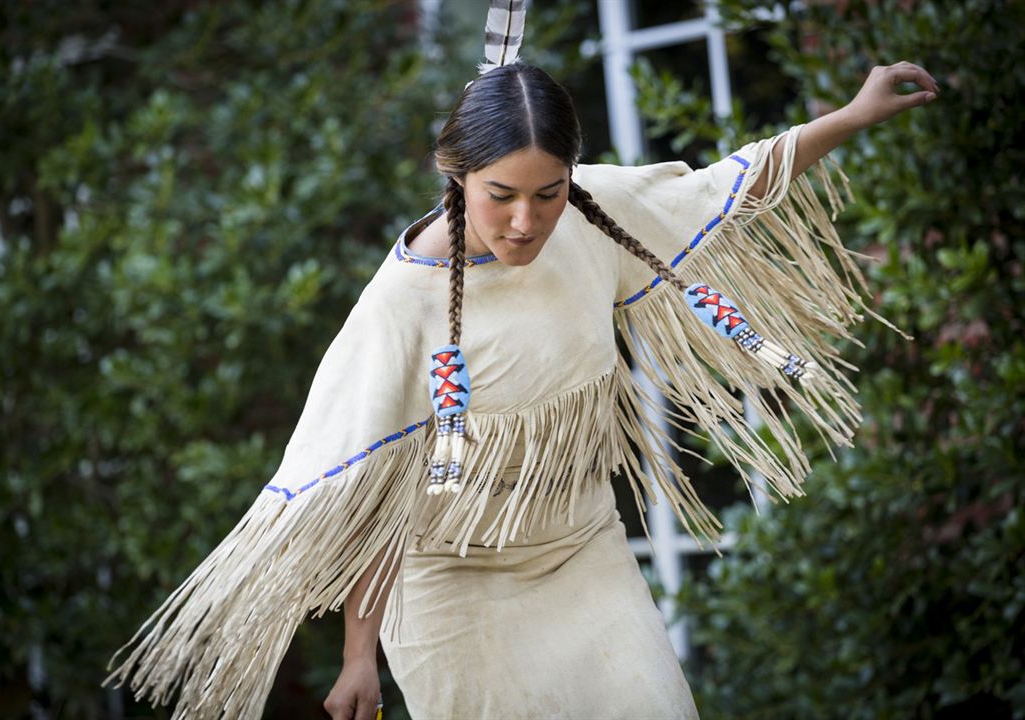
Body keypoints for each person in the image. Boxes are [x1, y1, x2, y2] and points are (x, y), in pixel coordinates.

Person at [102, 35, 937, 720]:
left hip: (583, 555)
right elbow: (370, 488)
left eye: (548, 192)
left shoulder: (592, 218)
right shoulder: (401, 309)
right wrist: (360, 657)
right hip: (451, 593)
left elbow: (730, 185)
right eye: (500, 194)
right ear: (455, 172)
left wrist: (854, 116)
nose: (526, 220)